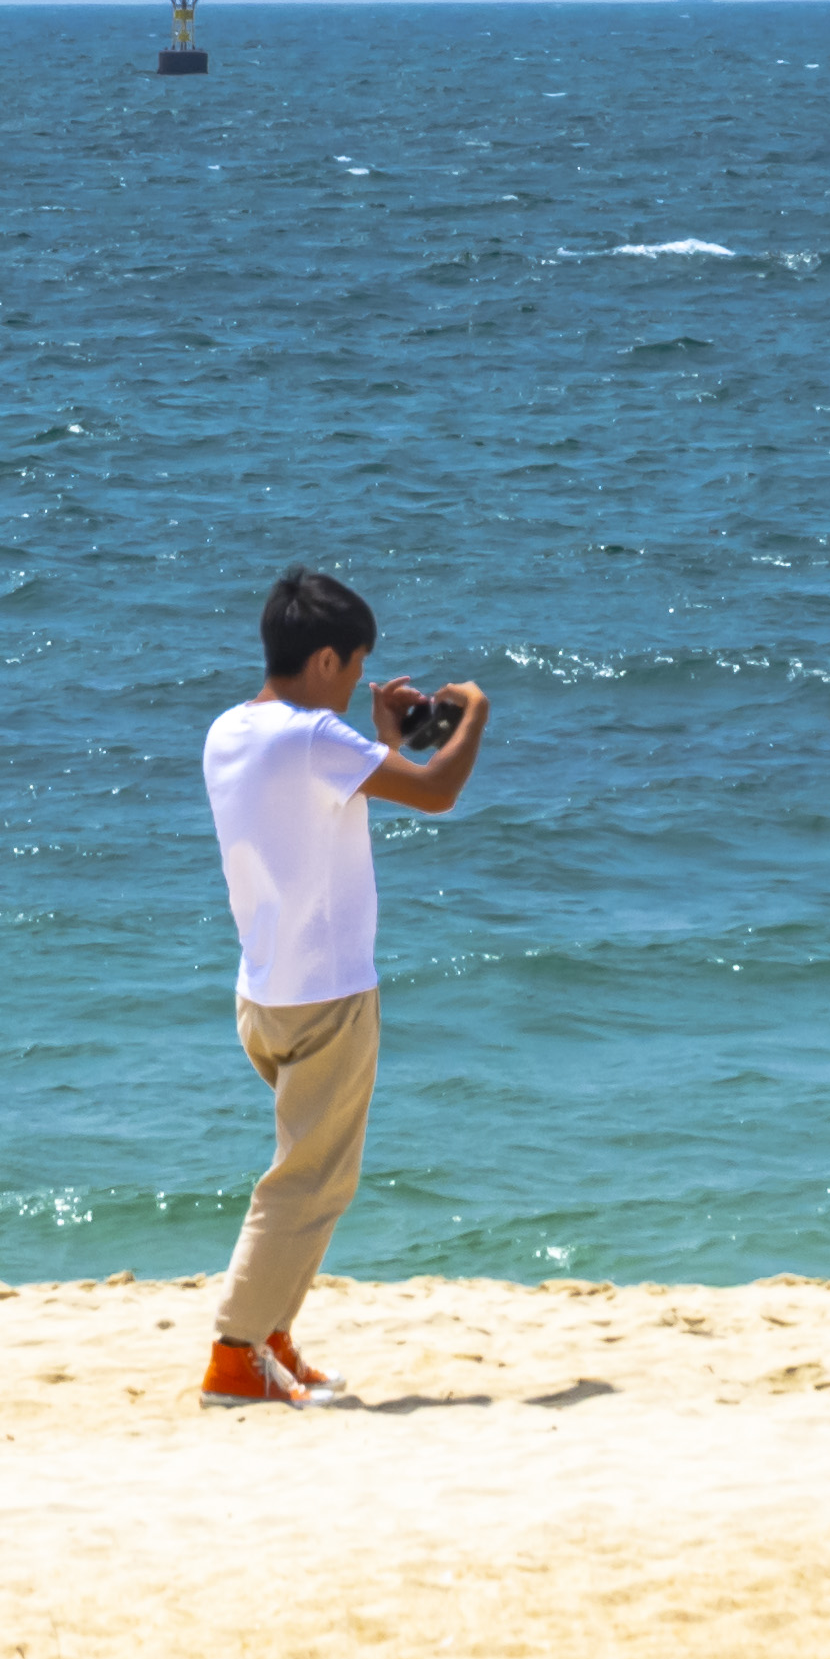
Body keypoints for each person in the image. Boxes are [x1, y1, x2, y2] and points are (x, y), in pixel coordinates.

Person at [190, 565, 489, 1410]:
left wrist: (378, 735)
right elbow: (437, 792)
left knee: (312, 1174)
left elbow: (321, 785)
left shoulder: (229, 730)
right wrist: (475, 717)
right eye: (357, 666)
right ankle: (235, 1355)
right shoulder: (320, 744)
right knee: (308, 1181)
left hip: (265, 991)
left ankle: (272, 1339)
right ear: (325, 660)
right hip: (328, 994)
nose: (362, 680)